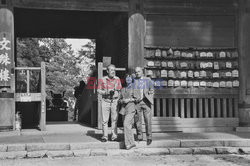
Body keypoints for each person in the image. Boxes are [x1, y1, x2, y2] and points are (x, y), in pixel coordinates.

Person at [97, 64, 122, 142]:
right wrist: (106, 92)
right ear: (107, 71)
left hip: (114, 101)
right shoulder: (102, 79)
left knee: (114, 119)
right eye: (111, 70)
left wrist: (118, 98)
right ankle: (105, 136)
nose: (113, 72)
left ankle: (114, 136)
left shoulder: (117, 79)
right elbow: (98, 90)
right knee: (105, 120)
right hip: (105, 101)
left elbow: (119, 90)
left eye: (114, 70)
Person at [133, 67, 154, 145]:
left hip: (146, 102)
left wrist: (149, 97)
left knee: (147, 120)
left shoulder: (148, 80)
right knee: (138, 120)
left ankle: (149, 137)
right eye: (136, 72)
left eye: (139, 71)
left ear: (142, 72)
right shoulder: (133, 80)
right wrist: (134, 98)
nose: (137, 73)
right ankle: (139, 136)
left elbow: (152, 90)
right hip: (137, 102)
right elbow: (131, 90)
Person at [119, 74, 136, 150]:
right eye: (127, 78)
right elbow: (119, 100)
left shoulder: (135, 88)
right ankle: (132, 142)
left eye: (129, 78)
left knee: (126, 124)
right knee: (127, 126)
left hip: (131, 108)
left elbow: (138, 98)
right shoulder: (122, 89)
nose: (128, 80)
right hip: (124, 109)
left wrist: (129, 100)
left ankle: (128, 144)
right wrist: (122, 100)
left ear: (132, 79)